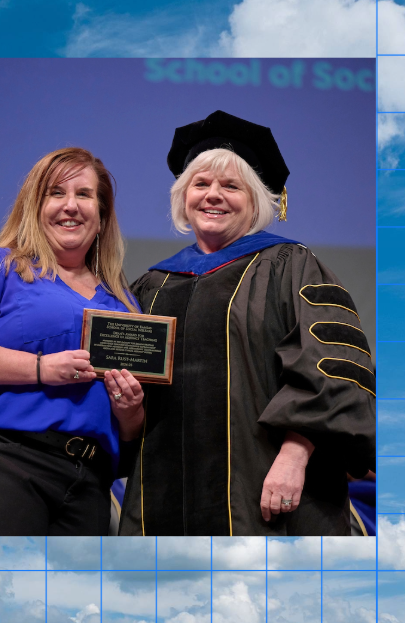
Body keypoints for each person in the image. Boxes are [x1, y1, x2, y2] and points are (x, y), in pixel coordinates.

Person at [119, 111, 375, 536]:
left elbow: (334, 368)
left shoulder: (291, 266)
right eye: (200, 184)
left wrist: (294, 457)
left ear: (255, 200)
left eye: (231, 186)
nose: (213, 195)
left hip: (268, 488)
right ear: (183, 197)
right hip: (161, 496)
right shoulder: (151, 286)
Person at [0, 147, 145, 535]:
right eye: (56, 193)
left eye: (84, 194)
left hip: (89, 483)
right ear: (34, 207)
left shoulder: (126, 305)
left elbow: (131, 434)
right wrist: (42, 368)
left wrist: (130, 410)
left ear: (101, 216)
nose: (71, 205)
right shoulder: (0, 266)